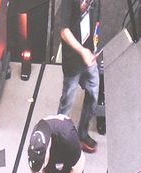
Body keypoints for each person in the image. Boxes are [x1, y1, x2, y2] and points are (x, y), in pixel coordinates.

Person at [56, 0, 102, 154]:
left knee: (93, 94)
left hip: (89, 56)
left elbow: (94, 17)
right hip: (74, 60)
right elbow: (64, 31)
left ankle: (82, 134)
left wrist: (94, 46)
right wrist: (82, 51)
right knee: (67, 103)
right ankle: (59, 140)